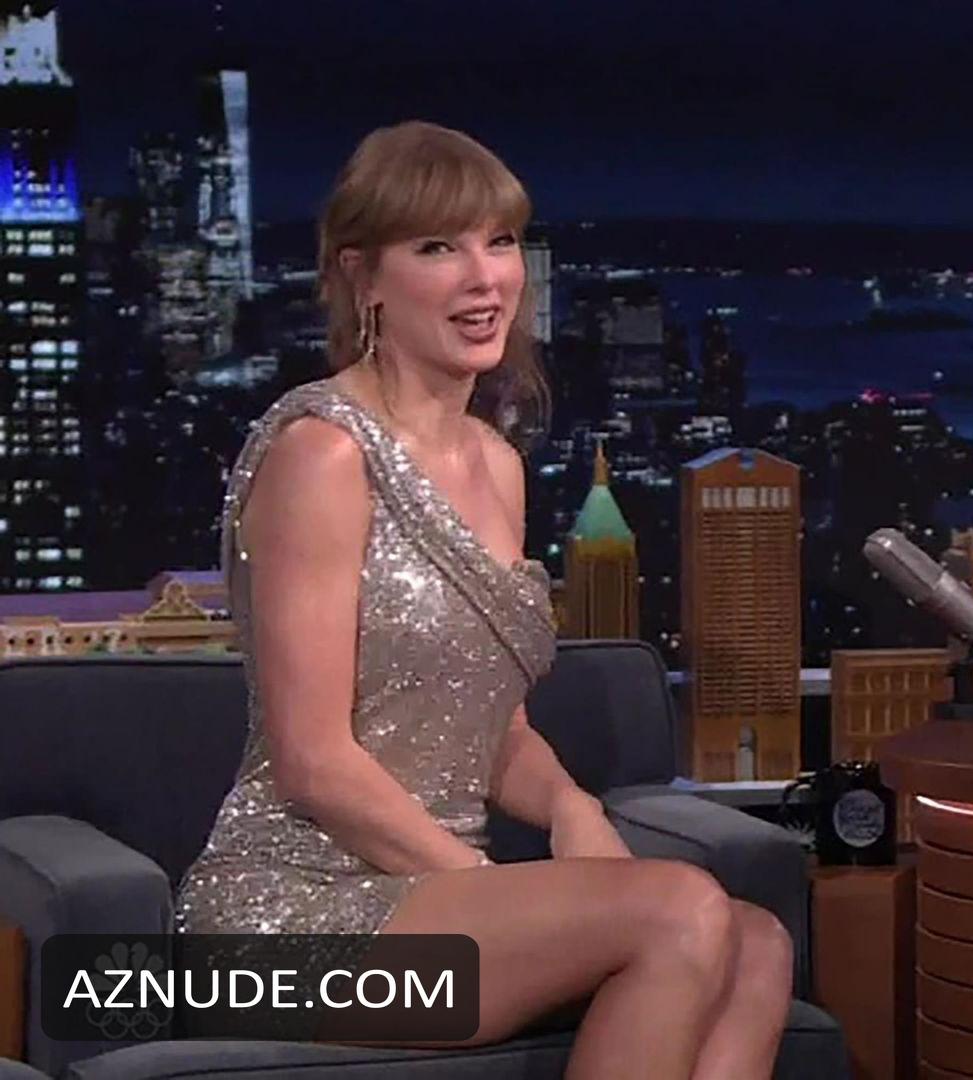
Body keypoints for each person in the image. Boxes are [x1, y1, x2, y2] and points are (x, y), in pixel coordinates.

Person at [175, 122, 791, 1079]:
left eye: (498, 242)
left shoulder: (498, 466)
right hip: (286, 918)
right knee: (679, 912)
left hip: (440, 900)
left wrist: (570, 806)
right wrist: (489, 885)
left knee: (757, 944)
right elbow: (312, 762)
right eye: (437, 247)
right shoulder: (321, 453)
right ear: (364, 278)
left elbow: (486, 724)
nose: (484, 278)